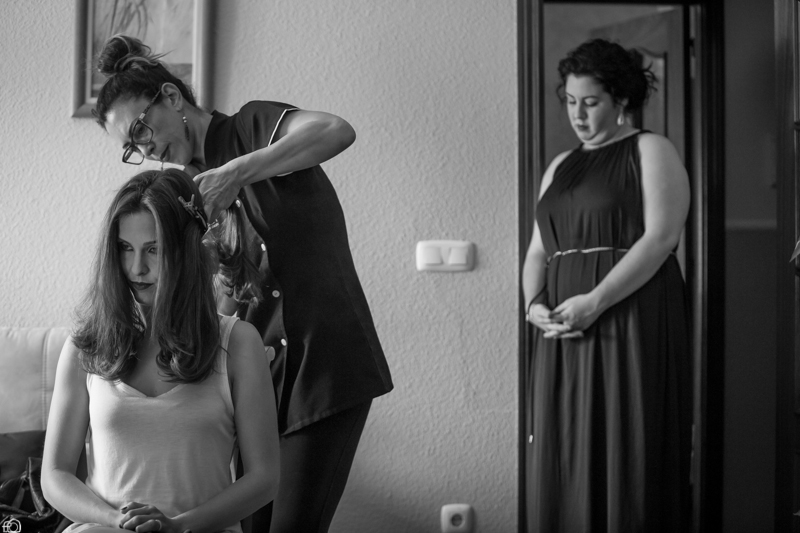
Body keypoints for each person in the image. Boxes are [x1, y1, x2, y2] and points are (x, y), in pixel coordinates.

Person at [91, 35, 393, 532]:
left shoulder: (251, 127)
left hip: (325, 367)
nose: (145, 149)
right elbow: (219, 299)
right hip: (255, 382)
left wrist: (236, 173)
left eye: (141, 129)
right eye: (131, 147)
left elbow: (336, 130)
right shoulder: (184, 196)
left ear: (171, 97)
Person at [41, 169, 280, 532]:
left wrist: (178, 526)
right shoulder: (86, 345)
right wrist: (117, 520)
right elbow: (55, 475)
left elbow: (264, 478)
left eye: (153, 249)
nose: (137, 268)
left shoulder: (238, 343)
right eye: (125, 248)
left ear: (187, 251)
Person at [521, 39, 692, 532]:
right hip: (561, 329)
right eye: (570, 101)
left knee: (628, 441)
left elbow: (661, 238)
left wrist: (595, 302)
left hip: (629, 318)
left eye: (591, 102)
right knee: (562, 444)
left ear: (621, 99)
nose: (577, 114)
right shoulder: (559, 165)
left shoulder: (651, 149)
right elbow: (537, 251)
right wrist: (533, 305)